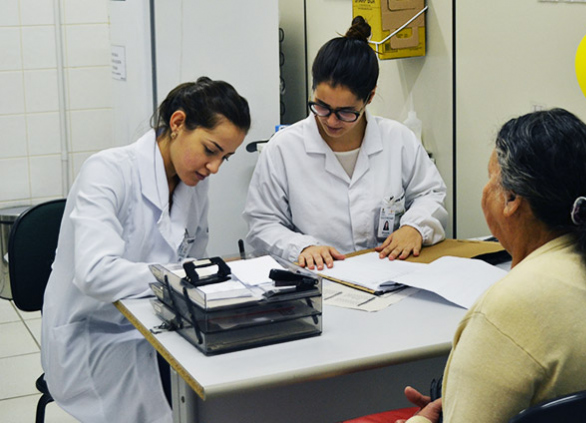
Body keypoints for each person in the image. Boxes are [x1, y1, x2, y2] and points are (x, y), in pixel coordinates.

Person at [397, 108, 586, 422]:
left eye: (491, 178)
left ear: (511, 200)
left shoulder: (505, 308)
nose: (485, 190)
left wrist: (422, 420)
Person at [41, 77, 250, 423]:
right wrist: (177, 277)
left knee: (230, 375)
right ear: (178, 123)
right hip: (93, 335)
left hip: (158, 323)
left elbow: (192, 264)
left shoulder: (193, 184)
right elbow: (96, 274)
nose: (214, 167)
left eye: (225, 158)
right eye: (211, 150)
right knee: (180, 400)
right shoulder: (107, 172)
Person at [243, 16, 447, 270]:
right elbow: (262, 222)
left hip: (389, 274)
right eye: (321, 106)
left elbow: (430, 193)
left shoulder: (398, 139)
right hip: (317, 281)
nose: (331, 120)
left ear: (369, 97)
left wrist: (414, 227)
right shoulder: (283, 149)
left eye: (346, 112)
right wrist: (302, 247)